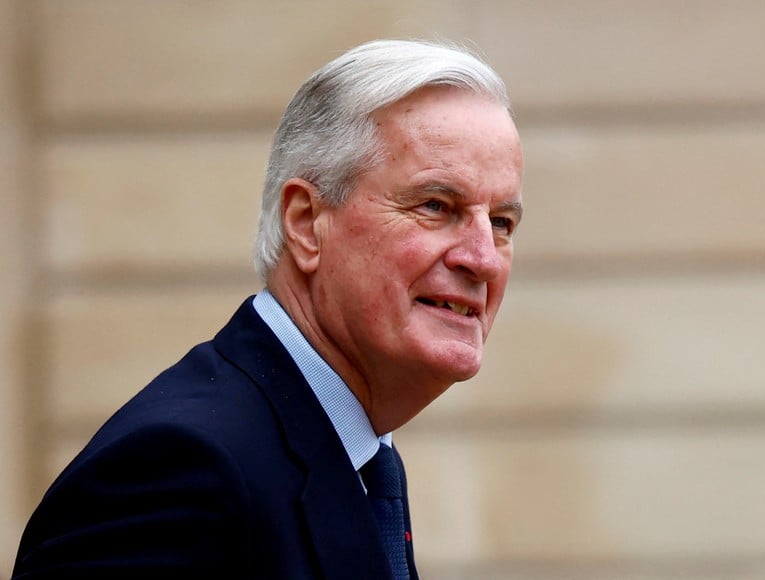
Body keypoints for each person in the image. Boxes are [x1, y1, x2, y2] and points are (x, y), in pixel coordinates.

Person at [12, 38, 523, 579]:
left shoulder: (359, 457)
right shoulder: (181, 469)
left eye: (501, 223)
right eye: (435, 206)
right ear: (306, 223)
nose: (482, 259)